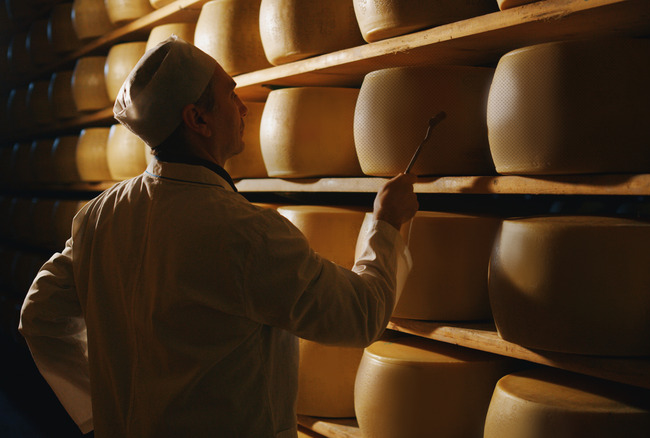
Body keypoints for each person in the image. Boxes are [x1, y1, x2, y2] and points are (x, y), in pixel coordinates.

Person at [18, 36, 418, 437]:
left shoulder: (98, 216)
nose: (244, 107)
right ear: (198, 119)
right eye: (231, 95)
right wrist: (385, 224)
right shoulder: (245, 234)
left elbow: (40, 314)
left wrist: (98, 412)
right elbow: (359, 315)